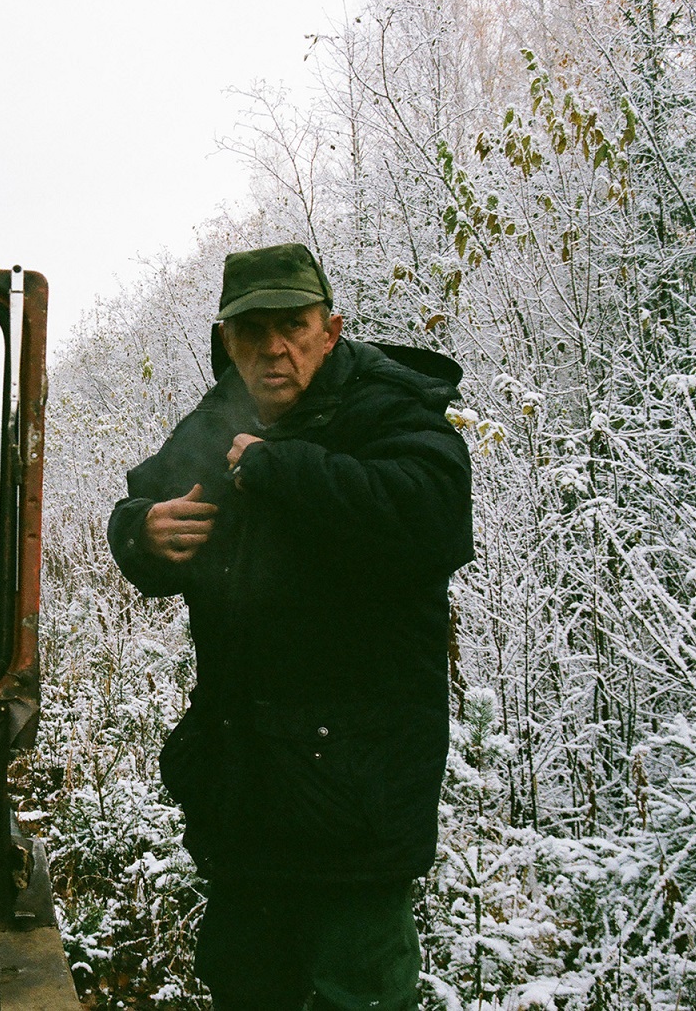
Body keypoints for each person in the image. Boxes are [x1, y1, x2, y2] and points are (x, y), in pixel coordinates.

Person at [107, 243, 474, 1010]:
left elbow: (431, 517)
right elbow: (145, 503)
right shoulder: (221, 418)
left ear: (331, 328)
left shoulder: (387, 407)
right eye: (253, 331)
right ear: (226, 341)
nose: (275, 347)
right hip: (248, 793)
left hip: (354, 796)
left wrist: (283, 469)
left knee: (359, 993)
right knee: (246, 987)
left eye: (294, 326)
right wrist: (142, 532)